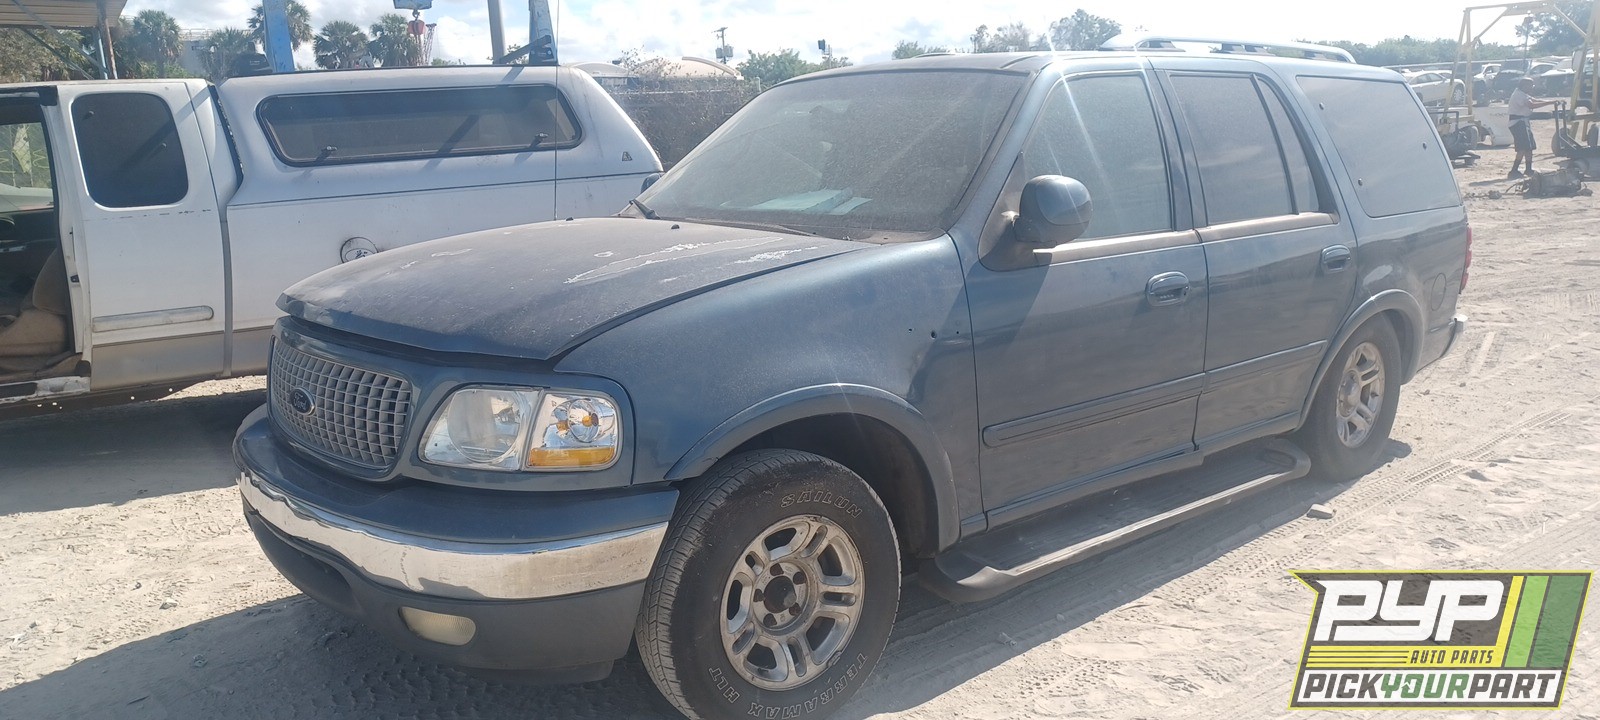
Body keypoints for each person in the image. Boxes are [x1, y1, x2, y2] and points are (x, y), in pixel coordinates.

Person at [1508, 77, 1560, 179]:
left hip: (1523, 122)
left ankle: (1528, 169)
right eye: (1530, 86)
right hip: (1518, 123)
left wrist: (1552, 101)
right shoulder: (1518, 95)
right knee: (1522, 148)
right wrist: (1550, 103)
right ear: (1524, 86)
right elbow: (1531, 105)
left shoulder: (1522, 93)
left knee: (1529, 147)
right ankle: (1513, 170)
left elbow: (1535, 100)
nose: (1532, 88)